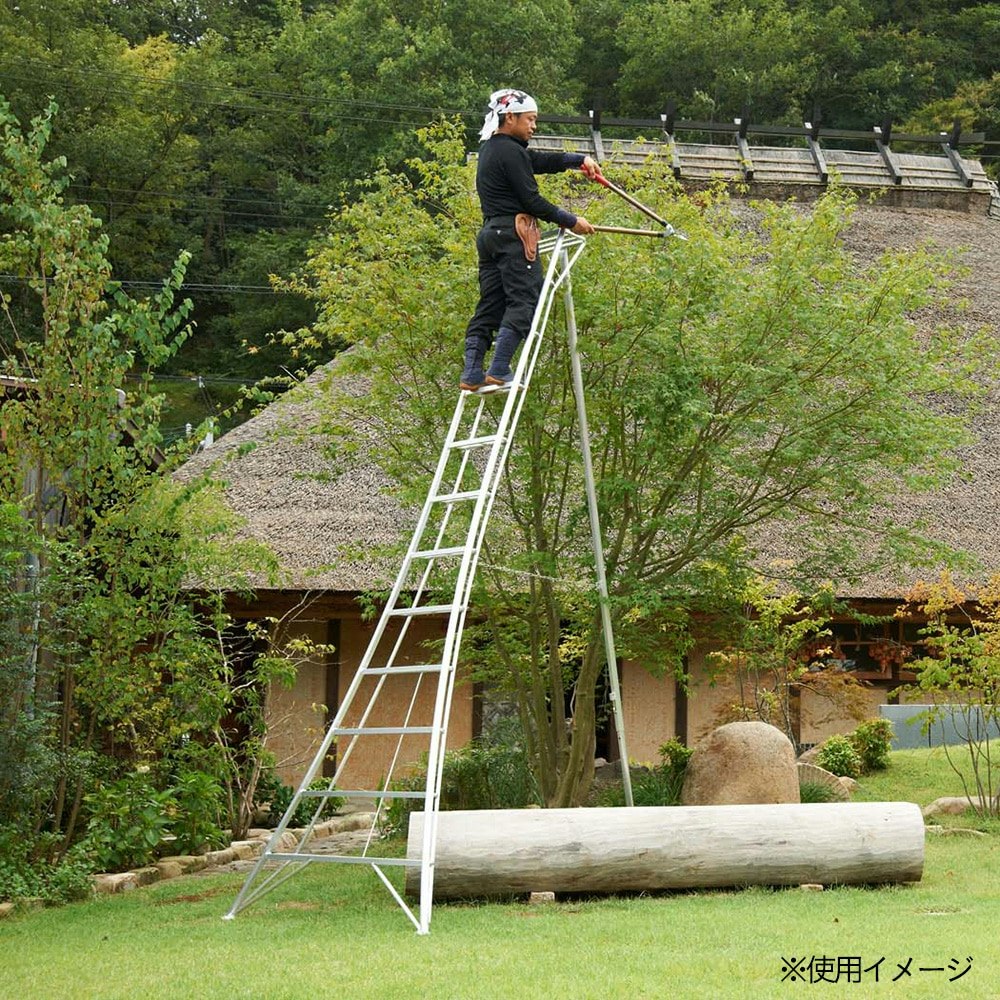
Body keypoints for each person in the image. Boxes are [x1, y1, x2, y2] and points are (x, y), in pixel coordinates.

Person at [460, 88, 598, 392]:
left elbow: (537, 160)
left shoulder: (492, 149)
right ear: (511, 117)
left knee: (490, 305)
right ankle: (499, 368)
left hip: (490, 236)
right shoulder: (509, 151)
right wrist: (572, 221)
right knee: (525, 299)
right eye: (530, 119)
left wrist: (579, 160)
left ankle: (471, 373)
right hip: (513, 236)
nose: (534, 126)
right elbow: (532, 201)